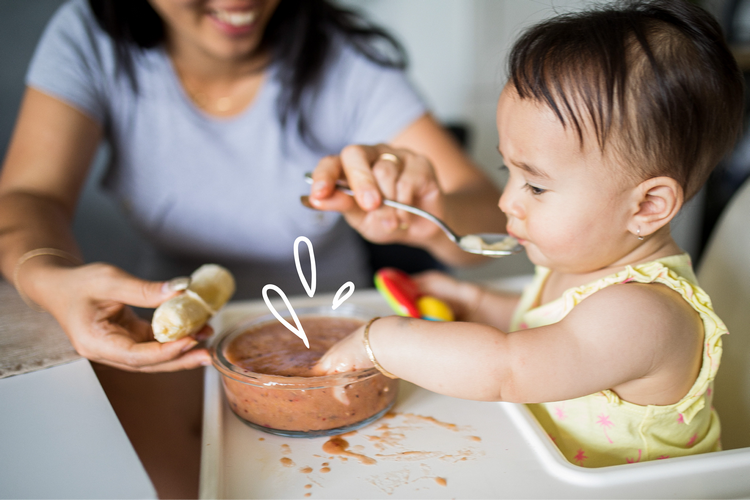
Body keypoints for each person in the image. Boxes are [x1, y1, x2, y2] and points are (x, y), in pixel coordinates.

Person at [0, 0, 502, 496]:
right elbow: (29, 195)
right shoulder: (90, 37)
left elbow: (490, 218)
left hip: (340, 334)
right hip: (180, 356)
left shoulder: (345, 56)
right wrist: (46, 275)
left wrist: (431, 220)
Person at [316, 0, 744, 468]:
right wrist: (472, 302)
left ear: (646, 206)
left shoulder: (644, 314)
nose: (505, 201)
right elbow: (545, 328)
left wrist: (385, 340)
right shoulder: (584, 267)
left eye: (535, 185)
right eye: (509, 171)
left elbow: (509, 368)